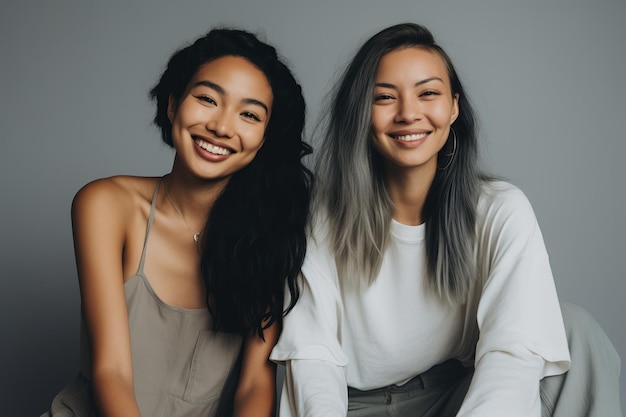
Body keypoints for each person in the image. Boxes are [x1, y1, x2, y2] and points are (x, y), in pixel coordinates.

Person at [270, 23, 622, 417]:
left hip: (456, 394)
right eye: (384, 97)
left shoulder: (500, 210)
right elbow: (313, 358)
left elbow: (512, 352)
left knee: (574, 330)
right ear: (362, 113)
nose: (408, 113)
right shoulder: (321, 217)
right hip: (357, 405)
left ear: (453, 106)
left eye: (428, 93)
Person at [41, 28, 312, 417]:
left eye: (249, 114)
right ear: (172, 106)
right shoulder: (107, 205)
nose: (221, 126)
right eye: (207, 99)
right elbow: (111, 372)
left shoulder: (271, 233)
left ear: (265, 139)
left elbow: (255, 384)